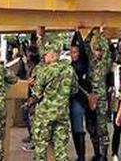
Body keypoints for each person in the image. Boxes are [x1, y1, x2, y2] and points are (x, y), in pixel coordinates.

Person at [32, 41, 78, 161]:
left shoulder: (44, 71)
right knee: (61, 148)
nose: (44, 57)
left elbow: (37, 93)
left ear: (52, 55)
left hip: (45, 114)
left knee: (41, 147)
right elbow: (74, 90)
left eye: (46, 54)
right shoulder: (69, 70)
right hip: (62, 112)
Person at [83, 28, 112, 161]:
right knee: (91, 127)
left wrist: (100, 34)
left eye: (99, 50)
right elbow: (85, 46)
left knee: (102, 129)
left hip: (101, 100)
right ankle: (97, 153)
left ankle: (104, 155)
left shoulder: (105, 63)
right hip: (89, 99)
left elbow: (106, 50)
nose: (97, 52)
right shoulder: (90, 61)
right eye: (96, 50)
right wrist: (91, 32)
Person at [68, 33, 91, 161]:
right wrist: (74, 35)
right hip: (73, 99)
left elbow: (82, 49)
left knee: (78, 127)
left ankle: (81, 157)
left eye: (75, 52)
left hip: (79, 100)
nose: (73, 54)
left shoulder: (81, 64)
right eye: (72, 52)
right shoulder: (71, 65)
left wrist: (77, 34)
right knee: (75, 128)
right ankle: (79, 156)